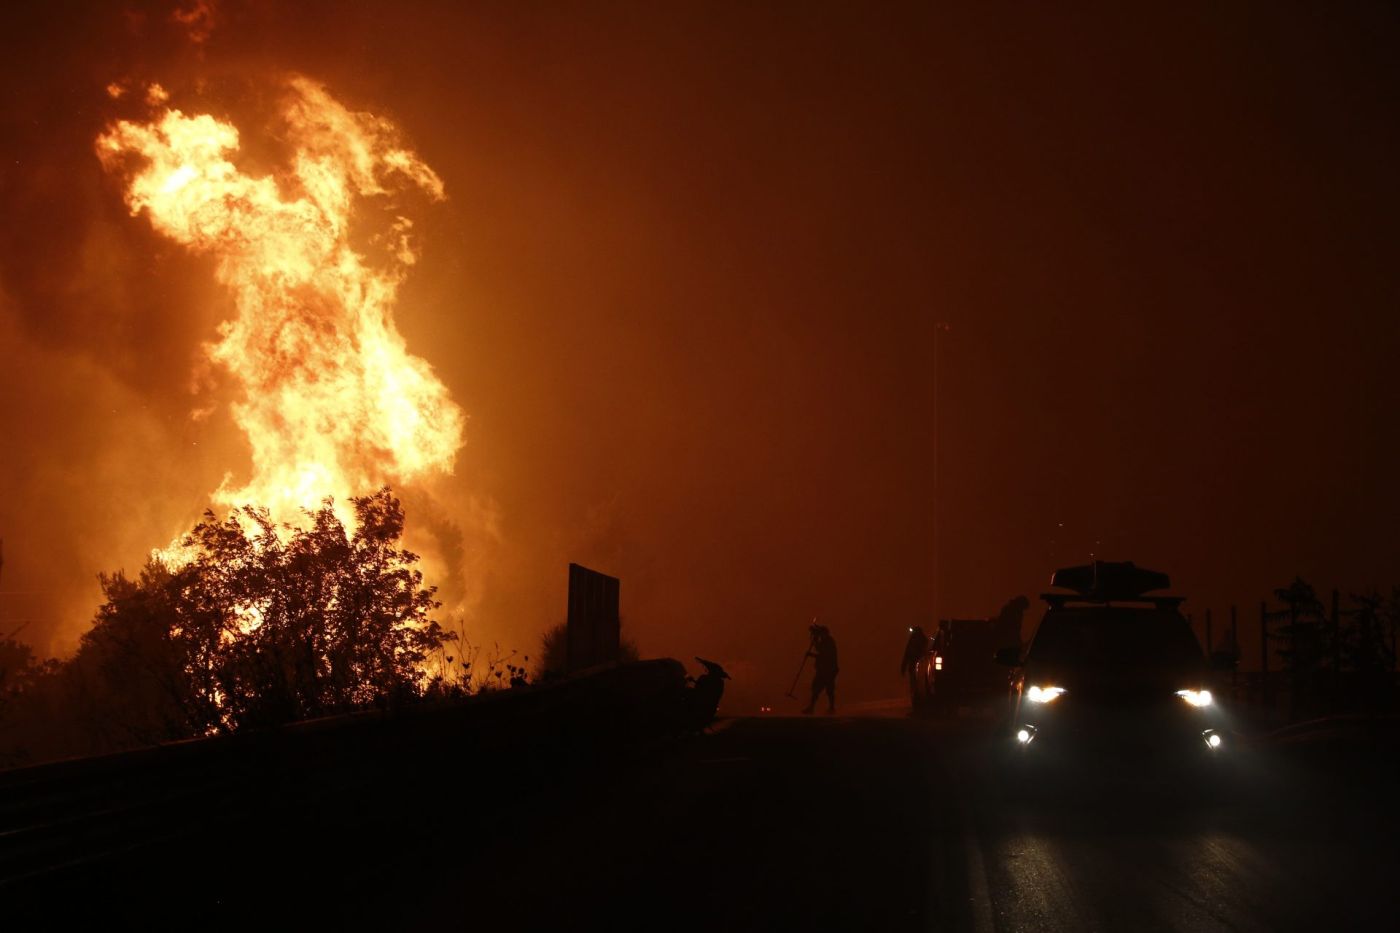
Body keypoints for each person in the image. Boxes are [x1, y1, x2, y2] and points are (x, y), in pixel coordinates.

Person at [802, 624, 838, 715]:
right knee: (816, 688)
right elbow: (819, 649)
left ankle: (831, 708)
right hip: (824, 669)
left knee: (828, 689)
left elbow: (823, 654)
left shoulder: (828, 641)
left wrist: (812, 653)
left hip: (828, 669)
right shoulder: (825, 641)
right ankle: (812, 707)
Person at [900, 625, 928, 699]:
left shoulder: (913, 640)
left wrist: (903, 666)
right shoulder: (923, 639)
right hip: (921, 665)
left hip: (915, 664)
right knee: (919, 681)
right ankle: (917, 694)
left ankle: (915, 694)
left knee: (914, 681)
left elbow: (907, 653)